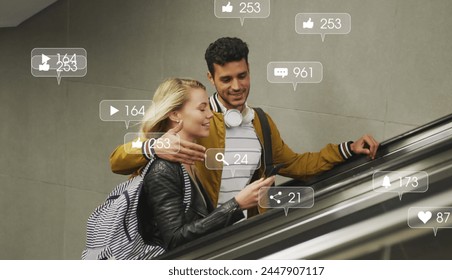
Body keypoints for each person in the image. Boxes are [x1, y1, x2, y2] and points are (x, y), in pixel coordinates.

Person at [111, 37, 379, 216]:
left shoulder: (260, 122)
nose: (237, 86)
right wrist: (153, 146)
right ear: (211, 78)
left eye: (242, 76)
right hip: (195, 240)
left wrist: (347, 149)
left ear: (249, 70)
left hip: (237, 236)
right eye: (226, 79)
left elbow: (298, 165)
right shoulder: (197, 122)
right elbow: (118, 160)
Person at [136, 77, 275, 252]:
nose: (210, 114)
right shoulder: (164, 169)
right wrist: (237, 204)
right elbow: (174, 240)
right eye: (202, 108)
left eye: (209, 107)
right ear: (174, 114)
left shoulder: (188, 162)